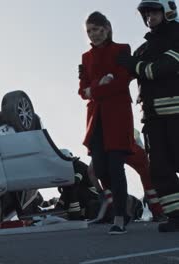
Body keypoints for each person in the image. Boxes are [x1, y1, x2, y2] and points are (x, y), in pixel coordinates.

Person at [116, 0, 179, 232]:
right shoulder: (143, 49)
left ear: (168, 11)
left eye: (154, 11)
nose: (149, 16)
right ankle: (176, 216)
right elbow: (127, 74)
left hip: (176, 114)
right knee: (160, 168)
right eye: (146, 13)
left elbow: (160, 69)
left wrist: (135, 65)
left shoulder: (177, 36)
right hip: (152, 118)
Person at [78, 11, 135, 234]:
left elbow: (122, 82)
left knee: (115, 166)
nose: (94, 35)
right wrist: (99, 86)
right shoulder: (85, 57)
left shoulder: (122, 49)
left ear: (107, 28)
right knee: (100, 169)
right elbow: (82, 90)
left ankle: (119, 217)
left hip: (118, 118)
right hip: (96, 119)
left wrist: (96, 89)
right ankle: (124, 202)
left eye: (97, 29)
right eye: (89, 31)